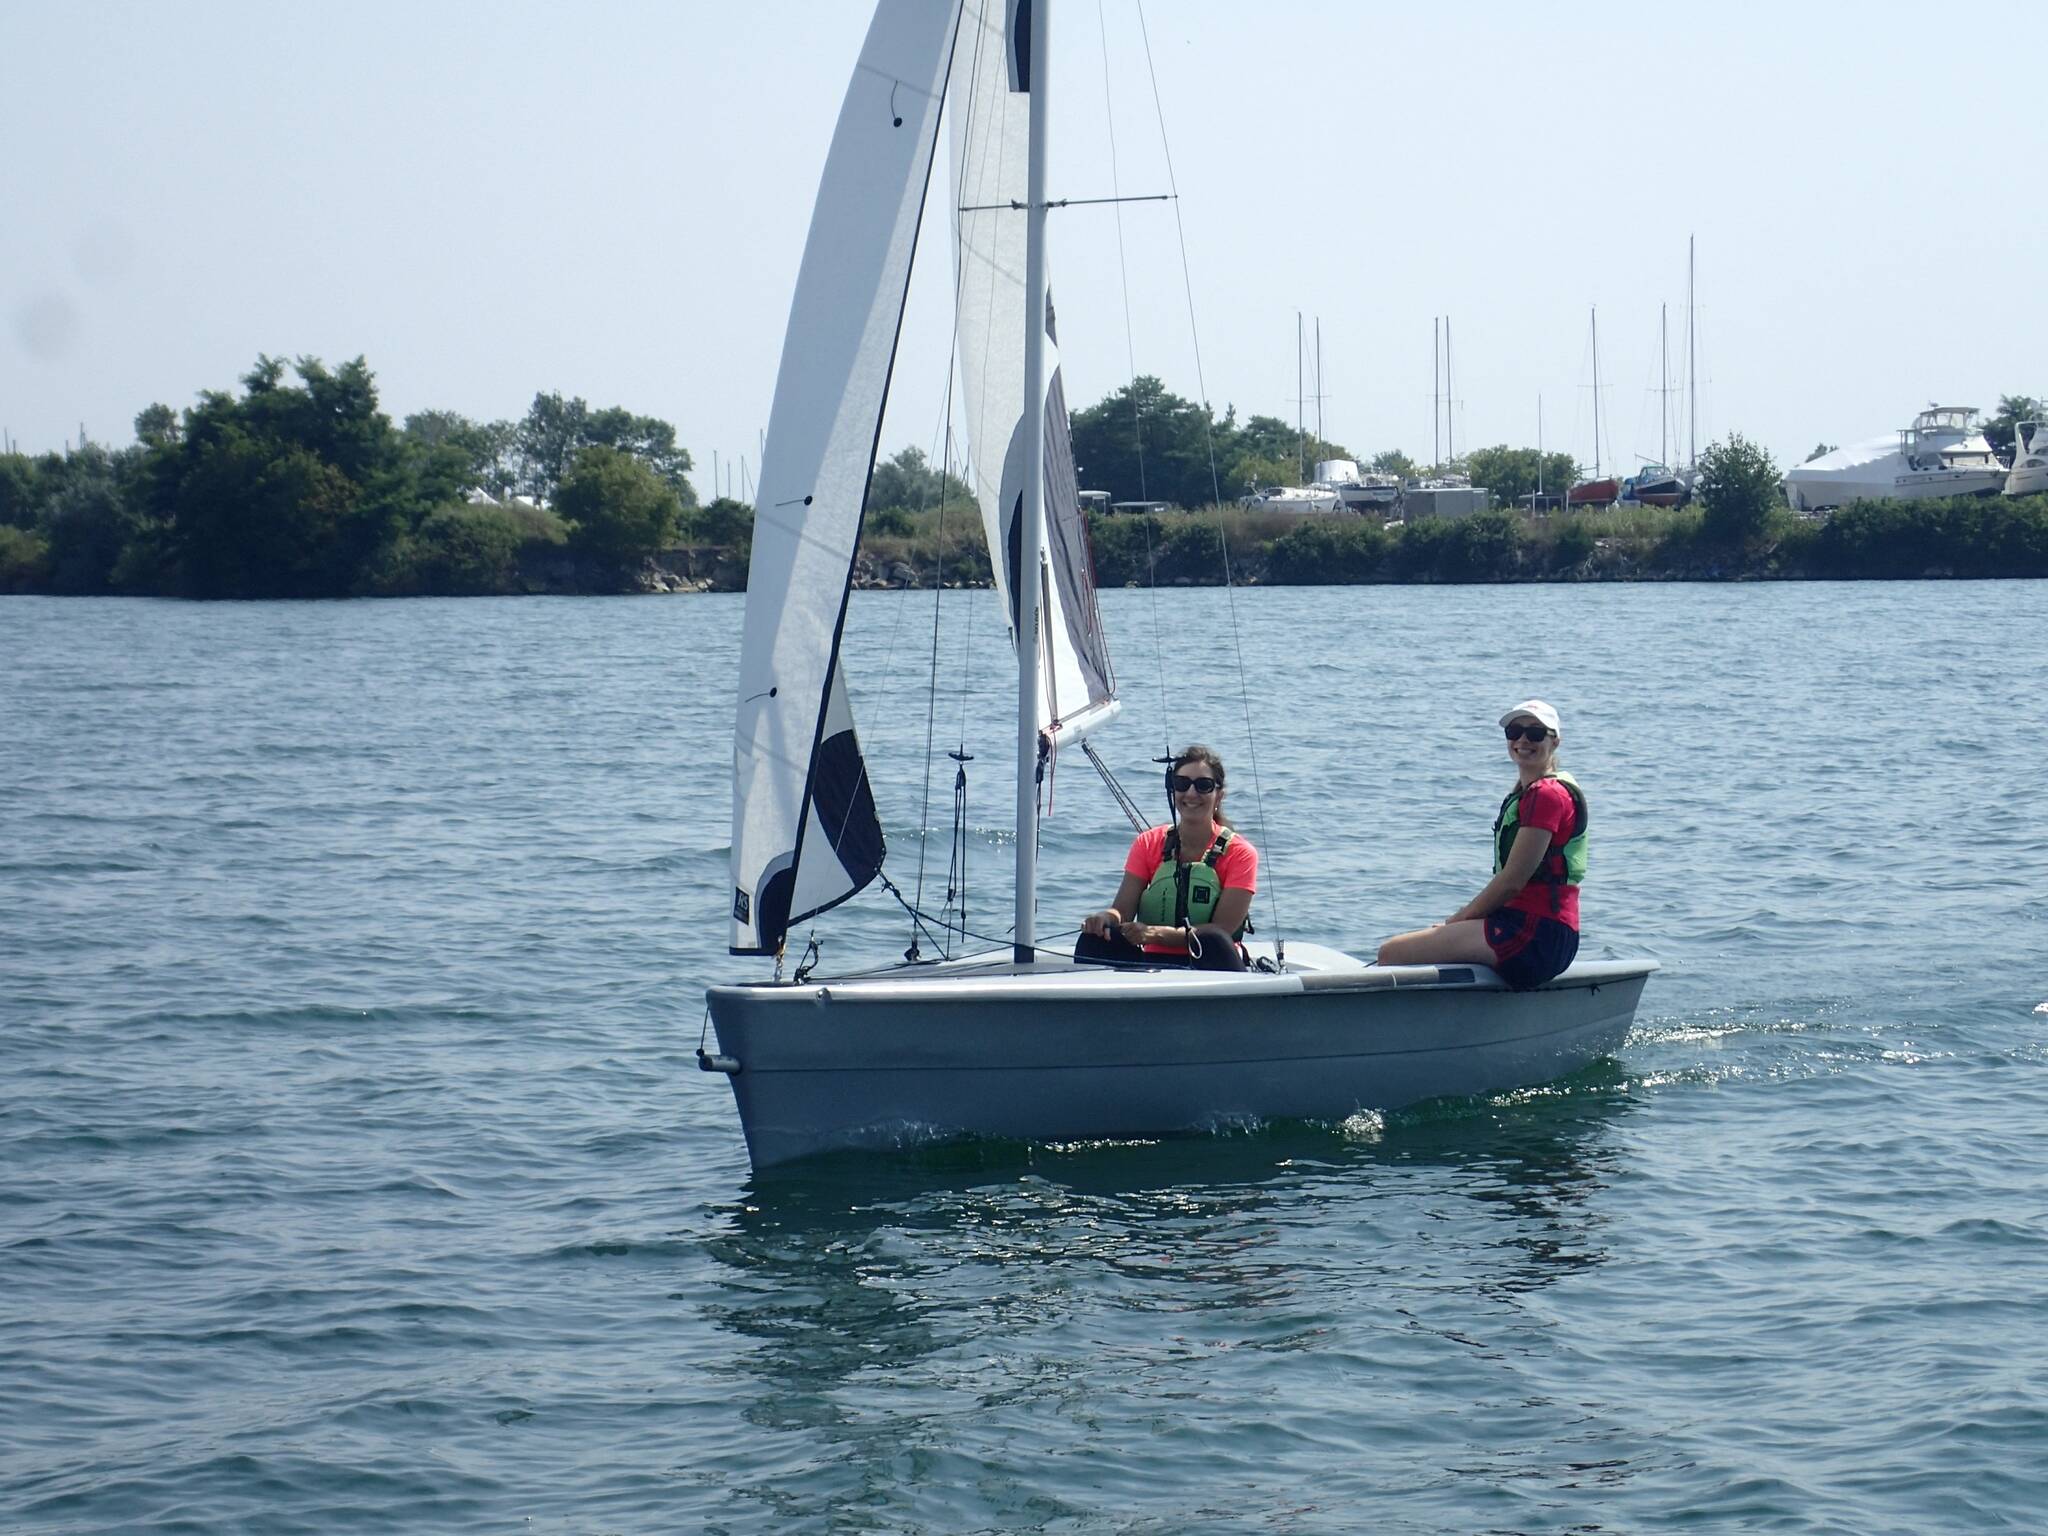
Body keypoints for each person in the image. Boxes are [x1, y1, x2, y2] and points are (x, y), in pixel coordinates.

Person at [1376, 699, 1585, 989]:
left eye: (1536, 734)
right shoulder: (1529, 793)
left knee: (1391, 954)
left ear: (1555, 742)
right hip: (1548, 935)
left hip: (1533, 935)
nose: (1523, 739)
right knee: (1434, 948)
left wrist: (1456, 922)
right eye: (1514, 731)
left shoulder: (1547, 795)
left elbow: (1512, 881)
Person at [1076, 744, 1257, 972]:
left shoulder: (1241, 853)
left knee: (1213, 939)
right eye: (1182, 784)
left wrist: (1156, 934)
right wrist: (1104, 918)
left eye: (1203, 786)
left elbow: (1222, 929)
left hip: (1212, 963)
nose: (1191, 794)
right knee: (1096, 939)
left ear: (1218, 795)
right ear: (1173, 790)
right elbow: (1122, 911)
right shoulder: (1148, 843)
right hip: (1153, 962)